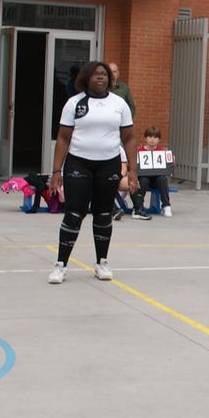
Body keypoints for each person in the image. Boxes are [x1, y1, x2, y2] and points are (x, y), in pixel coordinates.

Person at [47, 62, 138, 284]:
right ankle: (61, 265)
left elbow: (129, 138)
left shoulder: (119, 104)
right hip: (78, 164)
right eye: (96, 74)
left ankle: (101, 262)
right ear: (86, 78)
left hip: (108, 165)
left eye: (104, 75)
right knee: (74, 214)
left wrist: (132, 170)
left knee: (103, 214)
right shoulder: (74, 103)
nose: (101, 78)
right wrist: (56, 170)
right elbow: (63, 138)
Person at [128, 125, 173, 219]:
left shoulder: (162, 152)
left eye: (155, 137)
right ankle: (138, 207)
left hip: (157, 179)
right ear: (145, 138)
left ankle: (166, 206)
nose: (152, 139)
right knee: (143, 180)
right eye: (150, 137)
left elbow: (168, 168)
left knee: (162, 179)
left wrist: (172, 162)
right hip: (144, 178)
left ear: (159, 139)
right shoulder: (139, 151)